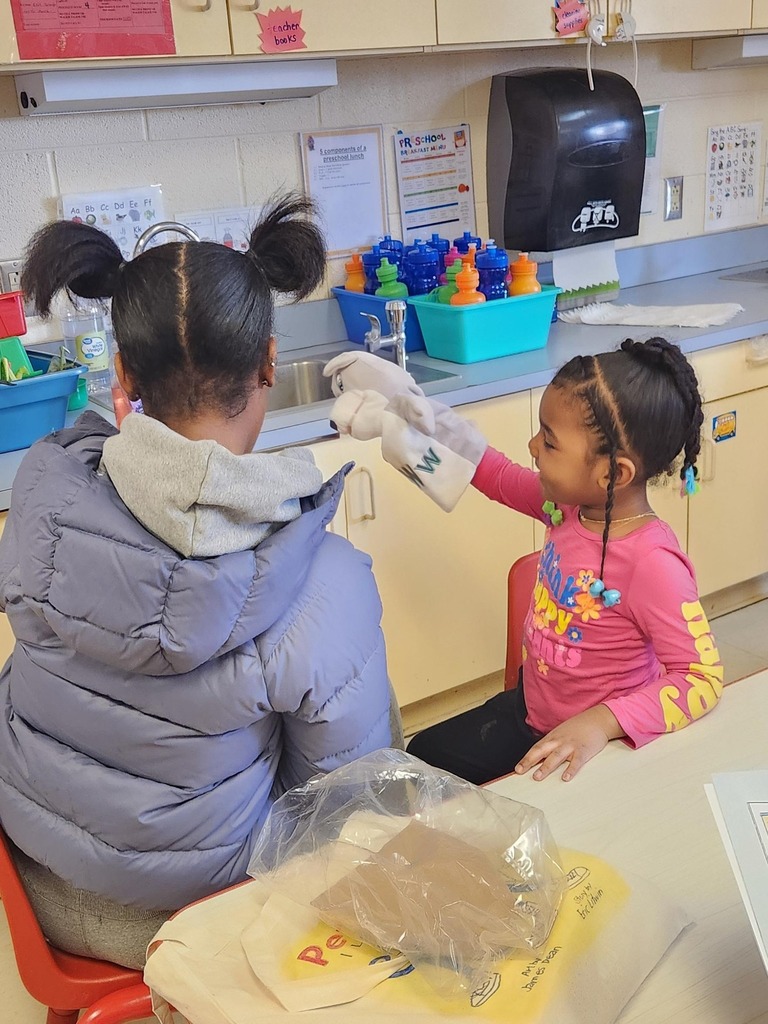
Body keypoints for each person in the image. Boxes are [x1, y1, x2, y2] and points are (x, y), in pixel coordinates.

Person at [0, 194, 397, 969]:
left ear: (120, 374)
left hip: (35, 882)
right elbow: (341, 809)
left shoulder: (43, 504)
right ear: (271, 366)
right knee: (369, 723)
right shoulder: (322, 577)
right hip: (190, 918)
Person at [325, 338, 723, 786]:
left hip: (599, 747)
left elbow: (701, 679)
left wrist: (601, 723)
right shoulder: (569, 505)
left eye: (550, 443)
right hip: (531, 713)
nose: (533, 446)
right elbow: (491, 471)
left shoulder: (653, 564)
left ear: (612, 473)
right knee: (422, 758)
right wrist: (418, 413)